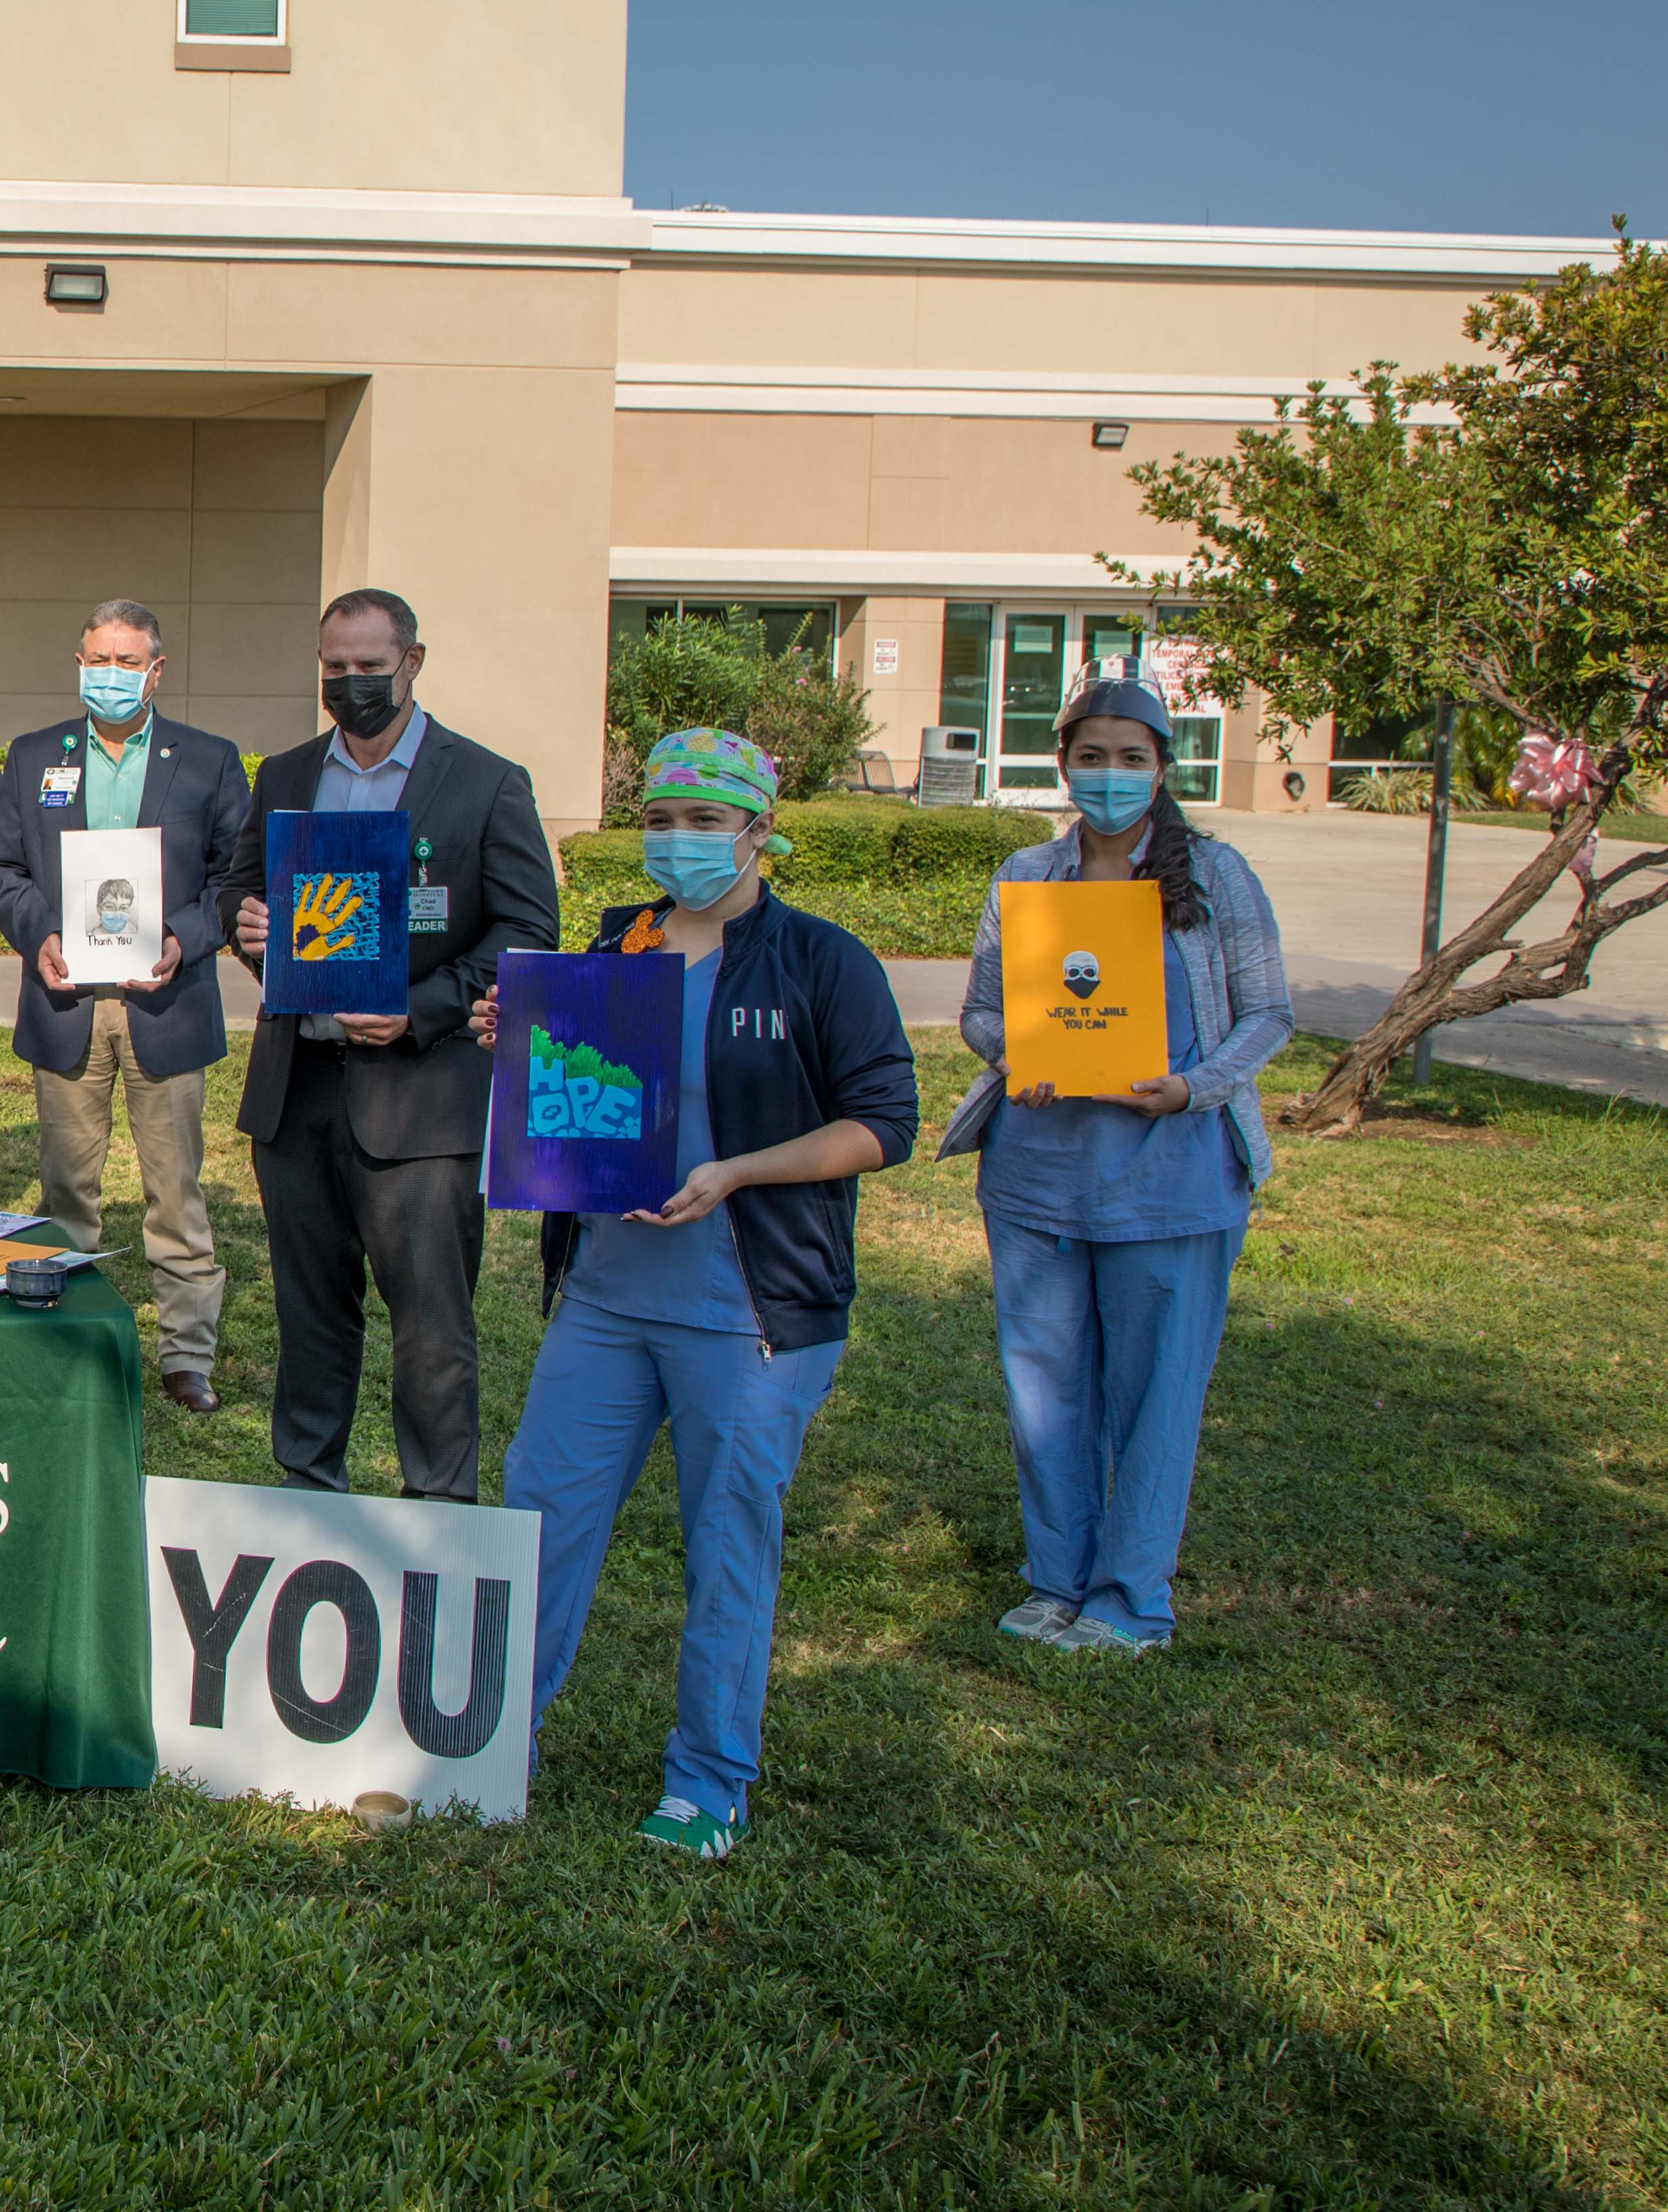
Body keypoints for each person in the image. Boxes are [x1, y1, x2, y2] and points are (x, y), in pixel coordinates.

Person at [489, 728, 917, 1859]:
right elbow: (583, 1095)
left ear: (759, 833)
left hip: (747, 1307)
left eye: (704, 822)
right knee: (540, 1512)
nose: (676, 841)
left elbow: (883, 1124)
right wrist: (515, 1041)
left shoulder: (822, 962)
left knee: (726, 1540)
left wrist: (734, 1170)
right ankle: (491, 1738)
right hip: (607, 1297)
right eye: (662, 819)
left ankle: (707, 1778)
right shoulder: (613, 944)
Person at [949, 674, 1290, 1654]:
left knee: (1154, 1397)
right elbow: (979, 1007)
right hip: (1038, 1176)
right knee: (1044, 1388)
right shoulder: (1026, 874)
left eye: (1130, 758)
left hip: (1172, 1177)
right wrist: (1014, 1052)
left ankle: (1129, 1598)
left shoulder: (1217, 877)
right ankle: (1056, 1578)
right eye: (1090, 757)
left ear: (1162, 769)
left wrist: (1192, 1087)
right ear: (1062, 765)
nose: (1107, 776)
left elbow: (1268, 1013)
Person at [215, 588, 558, 1496]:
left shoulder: (486, 780)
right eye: (336, 668)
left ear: (413, 661)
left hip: (422, 1099)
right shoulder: (285, 774)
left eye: (371, 667)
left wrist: (424, 1006)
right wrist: (242, 920)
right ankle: (306, 1501)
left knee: (432, 1331)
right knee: (308, 1319)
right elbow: (240, 890)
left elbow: (528, 931)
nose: (352, 683)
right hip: (298, 1093)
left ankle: (437, 1514)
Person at [0, 600, 253, 1411]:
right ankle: (67, 1335)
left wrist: (180, 940)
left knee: (176, 1191)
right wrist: (40, 936)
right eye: (98, 658)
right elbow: (1, 871)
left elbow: (236, 881)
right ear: (78, 661)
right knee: (67, 1185)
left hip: (165, 1003)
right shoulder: (34, 758)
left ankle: (186, 1354)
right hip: (67, 1001)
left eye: (128, 662)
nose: (111, 674)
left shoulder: (207, 760)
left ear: (156, 670)